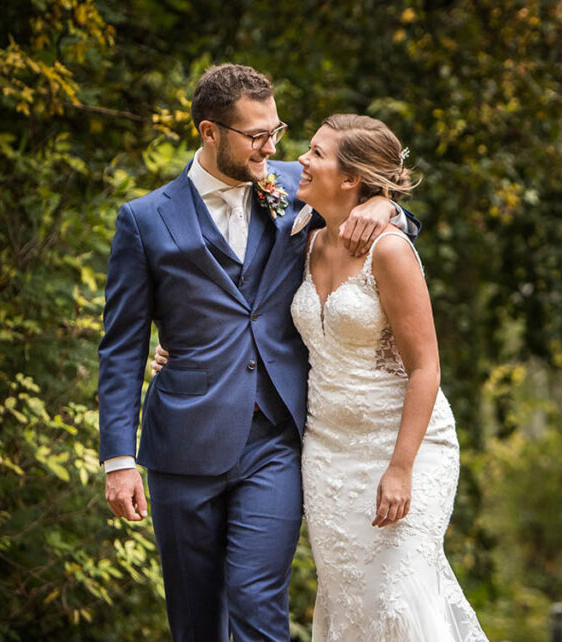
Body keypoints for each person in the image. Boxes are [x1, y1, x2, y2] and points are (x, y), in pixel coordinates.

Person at [97, 64, 417, 642]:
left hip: (275, 439)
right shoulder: (144, 221)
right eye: (256, 136)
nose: (272, 148)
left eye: (276, 131)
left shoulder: (296, 181)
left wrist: (386, 207)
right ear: (209, 132)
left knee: (258, 606)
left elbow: (377, 204)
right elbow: (121, 349)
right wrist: (119, 459)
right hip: (182, 445)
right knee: (195, 621)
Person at [154, 114, 488, 640]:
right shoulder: (300, 235)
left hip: (403, 445)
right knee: (350, 602)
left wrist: (401, 469)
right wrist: (189, 348)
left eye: (314, 153)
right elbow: (243, 307)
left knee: (398, 597)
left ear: (352, 177)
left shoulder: (390, 249)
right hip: (327, 452)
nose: (298, 162)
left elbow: (426, 367)